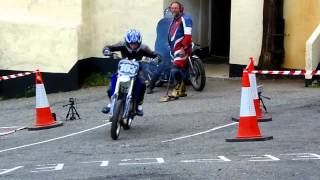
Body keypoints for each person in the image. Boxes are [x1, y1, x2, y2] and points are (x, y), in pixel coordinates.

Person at [102, 29, 160, 116]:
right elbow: (109, 47)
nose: (133, 46)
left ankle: (139, 105)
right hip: (123, 68)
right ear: (127, 42)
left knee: (142, 84)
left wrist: (156, 58)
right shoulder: (121, 45)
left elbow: (154, 54)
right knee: (112, 81)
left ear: (139, 42)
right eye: (131, 44)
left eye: (135, 43)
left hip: (136, 69)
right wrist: (107, 51)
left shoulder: (144, 48)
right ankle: (111, 103)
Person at [167, 1, 193, 98]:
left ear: (180, 9)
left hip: (181, 49)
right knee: (178, 70)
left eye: (175, 8)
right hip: (174, 49)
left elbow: (188, 35)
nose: (173, 10)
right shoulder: (174, 20)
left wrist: (183, 48)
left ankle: (178, 88)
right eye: (172, 8)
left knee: (174, 70)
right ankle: (182, 90)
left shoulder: (185, 19)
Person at [147, 8, 173, 94]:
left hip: (169, 46)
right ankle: (151, 85)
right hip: (162, 46)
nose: (170, 14)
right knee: (162, 64)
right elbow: (162, 35)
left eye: (171, 12)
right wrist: (166, 45)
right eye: (169, 12)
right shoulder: (162, 23)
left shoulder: (176, 22)